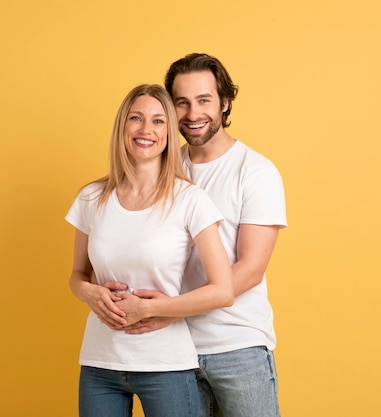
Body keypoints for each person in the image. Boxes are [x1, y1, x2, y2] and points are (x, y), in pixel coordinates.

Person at [108, 53, 288, 417]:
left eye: (204, 100)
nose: (193, 114)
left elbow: (251, 269)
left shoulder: (255, 171)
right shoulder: (160, 169)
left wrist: (163, 310)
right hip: (173, 351)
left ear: (224, 102)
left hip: (238, 346)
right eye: (182, 103)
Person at [65, 83, 234, 417]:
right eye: (136, 118)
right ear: (122, 127)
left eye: (158, 121)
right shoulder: (91, 197)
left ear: (170, 132)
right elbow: (77, 275)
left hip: (165, 364)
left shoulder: (190, 200)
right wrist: (88, 293)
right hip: (100, 364)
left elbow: (223, 290)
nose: (146, 130)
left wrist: (153, 310)